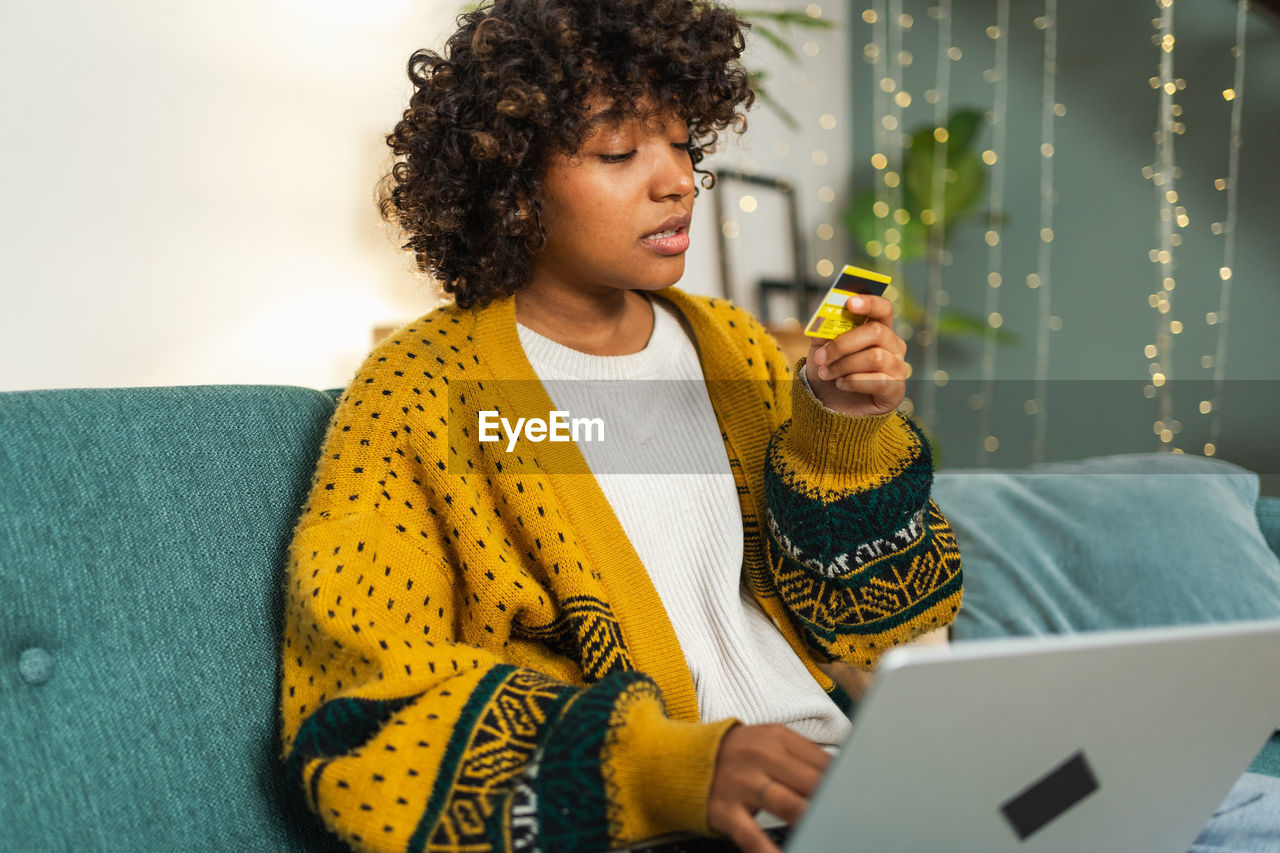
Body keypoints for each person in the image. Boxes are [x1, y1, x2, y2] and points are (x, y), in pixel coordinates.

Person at [278, 1, 962, 851]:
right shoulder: (423, 390)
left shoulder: (736, 347)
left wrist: (841, 432)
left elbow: (886, 627)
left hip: (858, 792)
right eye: (618, 151)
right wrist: (667, 766)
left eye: (683, 144)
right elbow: (363, 703)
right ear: (513, 185)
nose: (676, 179)